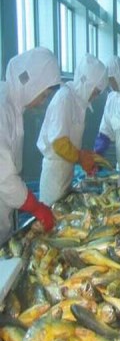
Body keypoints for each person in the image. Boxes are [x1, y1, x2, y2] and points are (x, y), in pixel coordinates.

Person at [0, 47, 61, 245]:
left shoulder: (14, 107)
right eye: (43, 95)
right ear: (33, 84)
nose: (42, 102)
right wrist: (35, 207)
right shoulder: (2, 108)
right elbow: (4, 176)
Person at [37, 54, 108, 206]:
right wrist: (80, 157)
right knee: (54, 212)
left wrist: (83, 157)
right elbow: (59, 142)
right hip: (55, 175)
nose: (95, 96)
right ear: (86, 84)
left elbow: (70, 141)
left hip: (66, 171)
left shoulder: (78, 102)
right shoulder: (64, 98)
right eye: (95, 91)